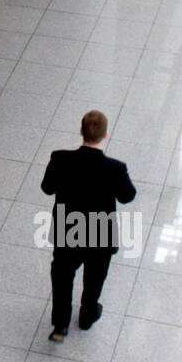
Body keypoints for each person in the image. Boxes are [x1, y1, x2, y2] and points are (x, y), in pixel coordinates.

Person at [41, 110, 136, 342]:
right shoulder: (116, 168)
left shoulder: (60, 159)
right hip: (100, 233)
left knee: (62, 275)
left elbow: (47, 188)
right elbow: (127, 196)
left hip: (69, 231)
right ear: (105, 134)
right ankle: (87, 315)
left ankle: (61, 324)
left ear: (81, 131)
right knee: (95, 277)